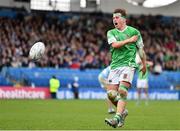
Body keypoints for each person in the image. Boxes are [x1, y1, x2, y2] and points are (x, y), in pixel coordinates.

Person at [104, 8, 146, 128]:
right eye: (113, 18)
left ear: (123, 19)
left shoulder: (135, 32)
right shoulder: (111, 33)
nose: (114, 20)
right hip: (115, 66)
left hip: (129, 65)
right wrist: (129, 40)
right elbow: (115, 45)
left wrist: (143, 64)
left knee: (122, 91)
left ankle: (116, 119)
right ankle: (122, 112)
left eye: (117, 17)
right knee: (111, 94)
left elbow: (141, 50)